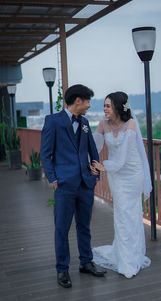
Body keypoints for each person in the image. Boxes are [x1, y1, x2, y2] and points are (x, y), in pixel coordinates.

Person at [40, 84, 106, 289]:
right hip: (65, 185)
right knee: (62, 228)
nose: (88, 105)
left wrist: (95, 172)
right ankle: (62, 269)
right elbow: (45, 153)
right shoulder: (53, 121)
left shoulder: (85, 123)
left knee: (84, 225)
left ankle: (86, 262)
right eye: (87, 101)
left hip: (85, 184)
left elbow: (92, 151)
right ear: (77, 100)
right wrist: (53, 179)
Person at [92, 91, 152, 279]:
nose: (104, 109)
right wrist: (88, 159)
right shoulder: (103, 124)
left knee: (131, 213)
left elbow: (123, 156)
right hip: (116, 176)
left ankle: (130, 259)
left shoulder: (131, 124)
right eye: (104, 105)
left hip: (132, 173)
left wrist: (105, 166)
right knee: (121, 213)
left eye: (108, 105)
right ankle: (123, 255)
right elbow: (95, 146)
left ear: (118, 107)